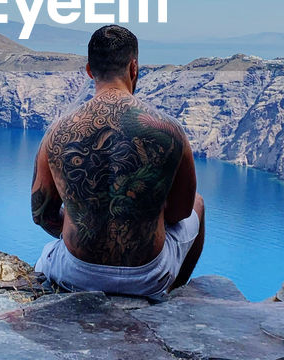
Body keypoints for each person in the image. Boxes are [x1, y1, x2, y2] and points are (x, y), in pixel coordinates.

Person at [31, 24, 205, 299]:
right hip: (148, 277)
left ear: (89, 70)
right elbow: (182, 212)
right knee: (199, 203)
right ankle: (172, 294)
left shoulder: (57, 132)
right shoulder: (168, 131)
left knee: (47, 256)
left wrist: (86, 224)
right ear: (134, 68)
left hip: (76, 275)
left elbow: (42, 215)